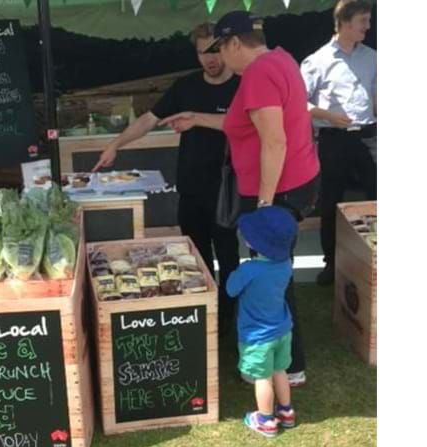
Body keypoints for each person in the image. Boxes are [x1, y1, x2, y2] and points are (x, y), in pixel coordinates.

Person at [160, 11, 320, 387]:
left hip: (276, 191)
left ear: (234, 43)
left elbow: (274, 140)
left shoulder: (260, 74)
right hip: (295, 183)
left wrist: (264, 205)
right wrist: (196, 118)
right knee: (276, 275)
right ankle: (281, 358)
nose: (219, 60)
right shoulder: (281, 59)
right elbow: (243, 123)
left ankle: (289, 365)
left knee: (272, 277)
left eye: (221, 49)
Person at [91, 23, 240, 334]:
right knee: (195, 255)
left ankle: (230, 317)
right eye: (202, 53)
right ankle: (201, 313)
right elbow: (149, 119)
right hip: (191, 186)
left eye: (214, 50)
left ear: (227, 48)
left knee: (228, 256)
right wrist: (116, 144)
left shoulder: (243, 85)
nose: (210, 59)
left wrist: (198, 119)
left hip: (228, 187)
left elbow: (244, 124)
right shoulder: (185, 86)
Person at [300, 0, 377, 286]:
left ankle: (375, 260)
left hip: (369, 137)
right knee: (332, 203)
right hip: (334, 140)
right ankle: (331, 264)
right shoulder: (317, 61)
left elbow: (378, 97)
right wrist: (327, 115)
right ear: (344, 22)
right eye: (363, 21)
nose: (368, 27)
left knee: (377, 199)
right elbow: (298, 103)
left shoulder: (373, 57)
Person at [226, 206, 298, 438]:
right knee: (280, 370)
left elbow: (230, 289)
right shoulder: (285, 264)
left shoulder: (250, 269)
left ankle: (265, 419)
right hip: (282, 329)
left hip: (257, 336)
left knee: (262, 378)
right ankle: (286, 411)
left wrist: (234, 274)